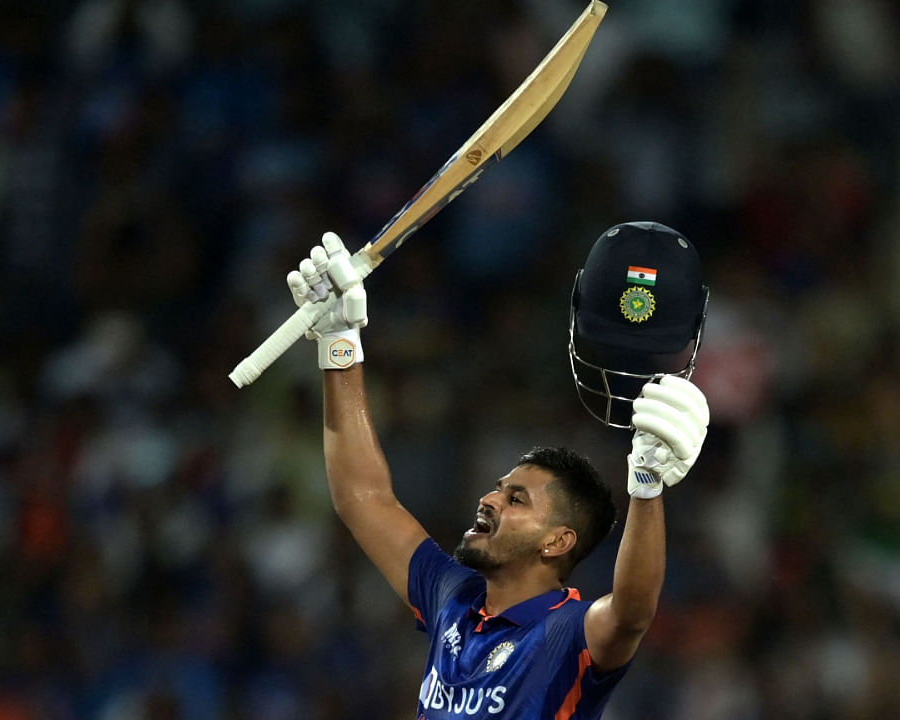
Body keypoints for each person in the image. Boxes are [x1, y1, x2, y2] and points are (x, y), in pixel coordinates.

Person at [285, 225, 709, 719]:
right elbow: (362, 497)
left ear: (557, 542)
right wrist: (339, 343)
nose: (489, 499)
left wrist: (646, 486)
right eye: (500, 488)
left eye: (516, 500)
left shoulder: (567, 633)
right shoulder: (453, 596)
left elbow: (633, 611)